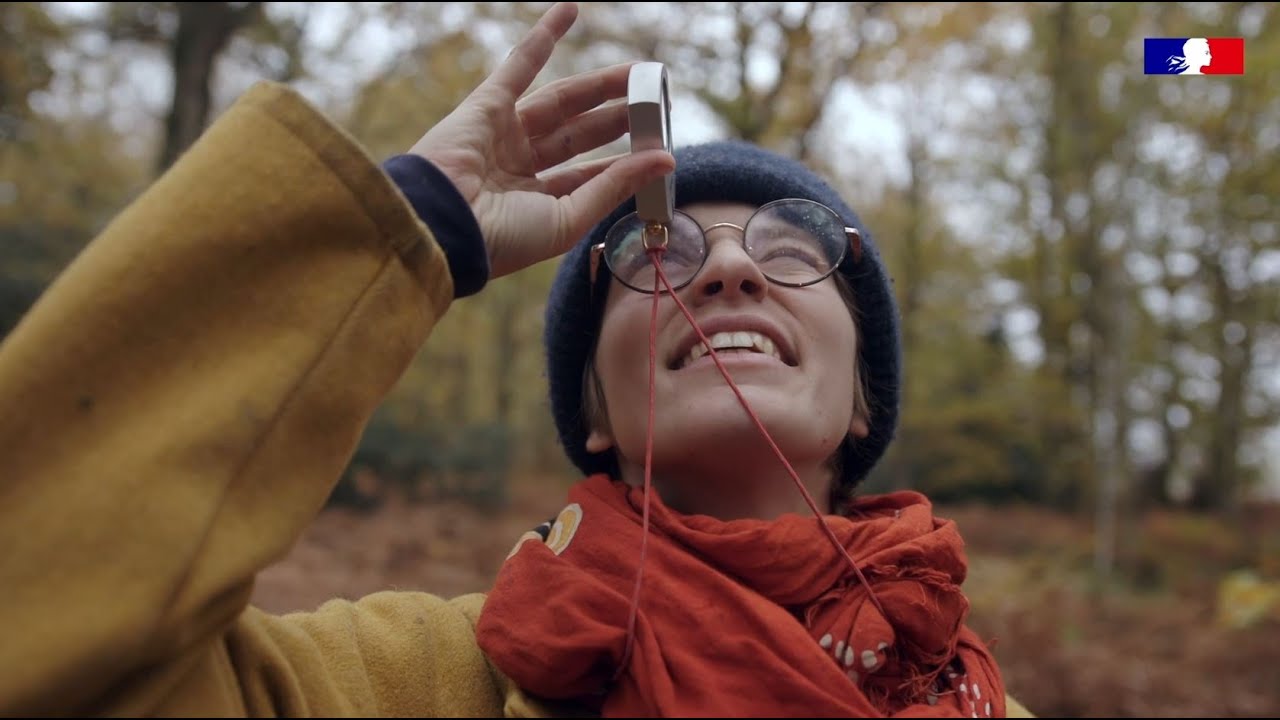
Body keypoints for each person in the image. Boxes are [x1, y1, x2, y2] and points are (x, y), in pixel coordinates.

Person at [0, 2, 1034, 717]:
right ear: (592, 410)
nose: (724, 268)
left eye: (791, 250)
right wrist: (415, 222)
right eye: (654, 250)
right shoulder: (413, 680)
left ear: (863, 399)